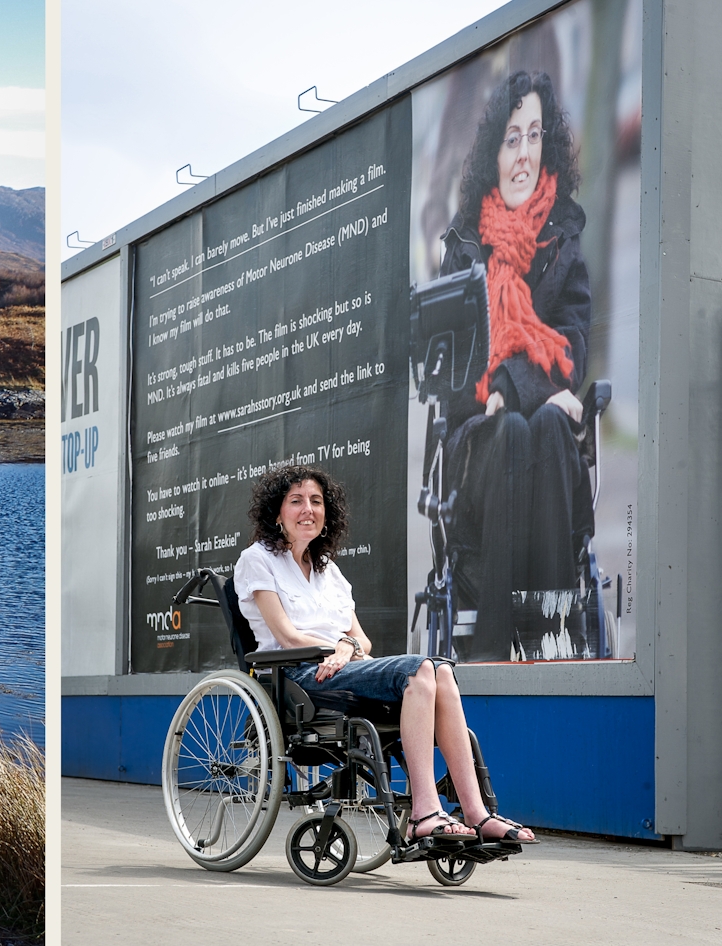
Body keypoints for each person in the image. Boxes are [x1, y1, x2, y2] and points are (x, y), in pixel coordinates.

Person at [234, 465, 536, 843]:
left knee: (440, 671)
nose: (308, 509)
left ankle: (477, 813)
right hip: (295, 676)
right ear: (277, 513)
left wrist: (347, 648)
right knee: (424, 669)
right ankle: (424, 813)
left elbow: (361, 638)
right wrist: (340, 649)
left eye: (316, 501)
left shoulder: (328, 570)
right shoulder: (257, 559)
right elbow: (286, 634)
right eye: (296, 501)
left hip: (341, 669)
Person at [438, 70, 592, 660]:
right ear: (492, 152)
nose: (524, 152)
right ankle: (497, 647)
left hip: (545, 432)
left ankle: (553, 637)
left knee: (548, 426)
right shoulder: (465, 246)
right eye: (511, 137)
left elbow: (571, 338)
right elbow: (452, 361)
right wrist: (501, 387)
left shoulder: (565, 236)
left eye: (533, 135)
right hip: (480, 438)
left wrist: (512, 383)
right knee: (510, 430)